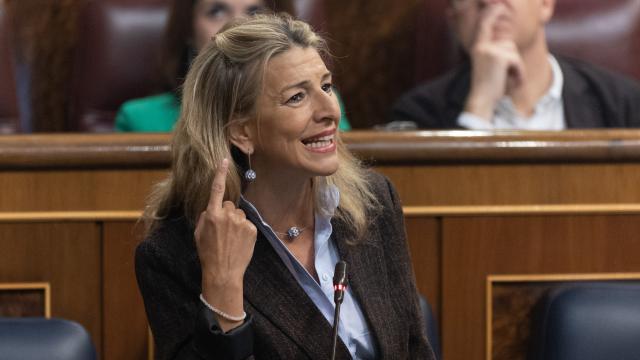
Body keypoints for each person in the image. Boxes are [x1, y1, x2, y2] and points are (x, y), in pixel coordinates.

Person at [135, 13, 434, 359]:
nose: (329, 111)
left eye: (326, 86)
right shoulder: (174, 255)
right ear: (242, 132)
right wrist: (222, 285)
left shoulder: (372, 202)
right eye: (296, 97)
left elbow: (414, 349)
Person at [390, 0, 640, 130]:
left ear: (545, 5)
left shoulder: (625, 105)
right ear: (455, 23)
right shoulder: (417, 113)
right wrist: (480, 105)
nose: (490, 3)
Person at [114, 0, 351, 132]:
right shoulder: (139, 120)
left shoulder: (324, 103)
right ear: (187, 30)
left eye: (255, 11)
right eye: (217, 11)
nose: (238, 25)